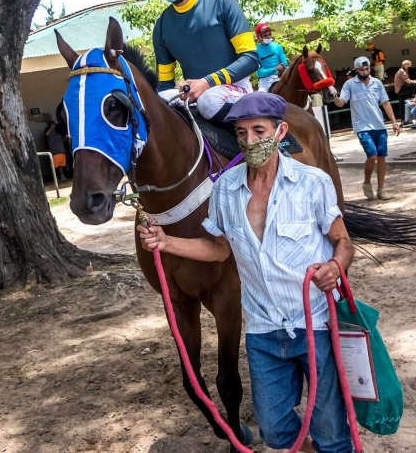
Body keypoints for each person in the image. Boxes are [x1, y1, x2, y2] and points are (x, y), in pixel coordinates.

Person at [137, 92, 355, 453]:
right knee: (276, 432)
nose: (250, 141)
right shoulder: (225, 189)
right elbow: (220, 248)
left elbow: (342, 241)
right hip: (263, 332)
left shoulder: (313, 182)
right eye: (241, 134)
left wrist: (335, 266)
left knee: (332, 433)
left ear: (281, 131)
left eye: (258, 131)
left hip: (313, 323)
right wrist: (166, 243)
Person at [149, 0, 259, 125]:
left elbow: (251, 59)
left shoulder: (222, 1)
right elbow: (165, 85)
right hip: (192, 94)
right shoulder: (161, 26)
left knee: (209, 101)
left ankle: (258, 145)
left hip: (233, 89)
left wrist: (207, 82)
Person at [334, 57, 400, 200]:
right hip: (362, 126)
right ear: (356, 70)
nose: (364, 71)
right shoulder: (349, 84)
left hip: (379, 124)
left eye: (366, 69)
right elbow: (341, 103)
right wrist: (333, 96)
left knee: (382, 156)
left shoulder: (377, 83)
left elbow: (385, 102)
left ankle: (381, 189)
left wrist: (394, 122)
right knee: (372, 155)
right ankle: (367, 182)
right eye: (361, 69)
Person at [255, 23, 289, 92]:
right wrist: (274, 69)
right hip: (265, 81)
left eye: (269, 34)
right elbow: (259, 73)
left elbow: (285, 64)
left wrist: (284, 68)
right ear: (259, 37)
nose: (268, 37)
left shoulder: (278, 47)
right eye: (265, 35)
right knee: (260, 97)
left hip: (281, 77)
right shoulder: (256, 50)